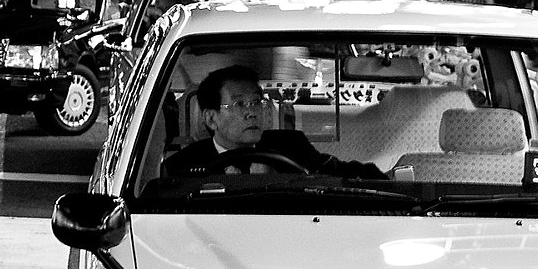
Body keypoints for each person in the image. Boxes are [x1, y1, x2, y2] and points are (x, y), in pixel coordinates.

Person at [163, 65, 387, 179]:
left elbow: (344, 175)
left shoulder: (292, 146)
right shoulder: (181, 167)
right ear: (211, 118)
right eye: (240, 105)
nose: (252, 113)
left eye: (257, 102)